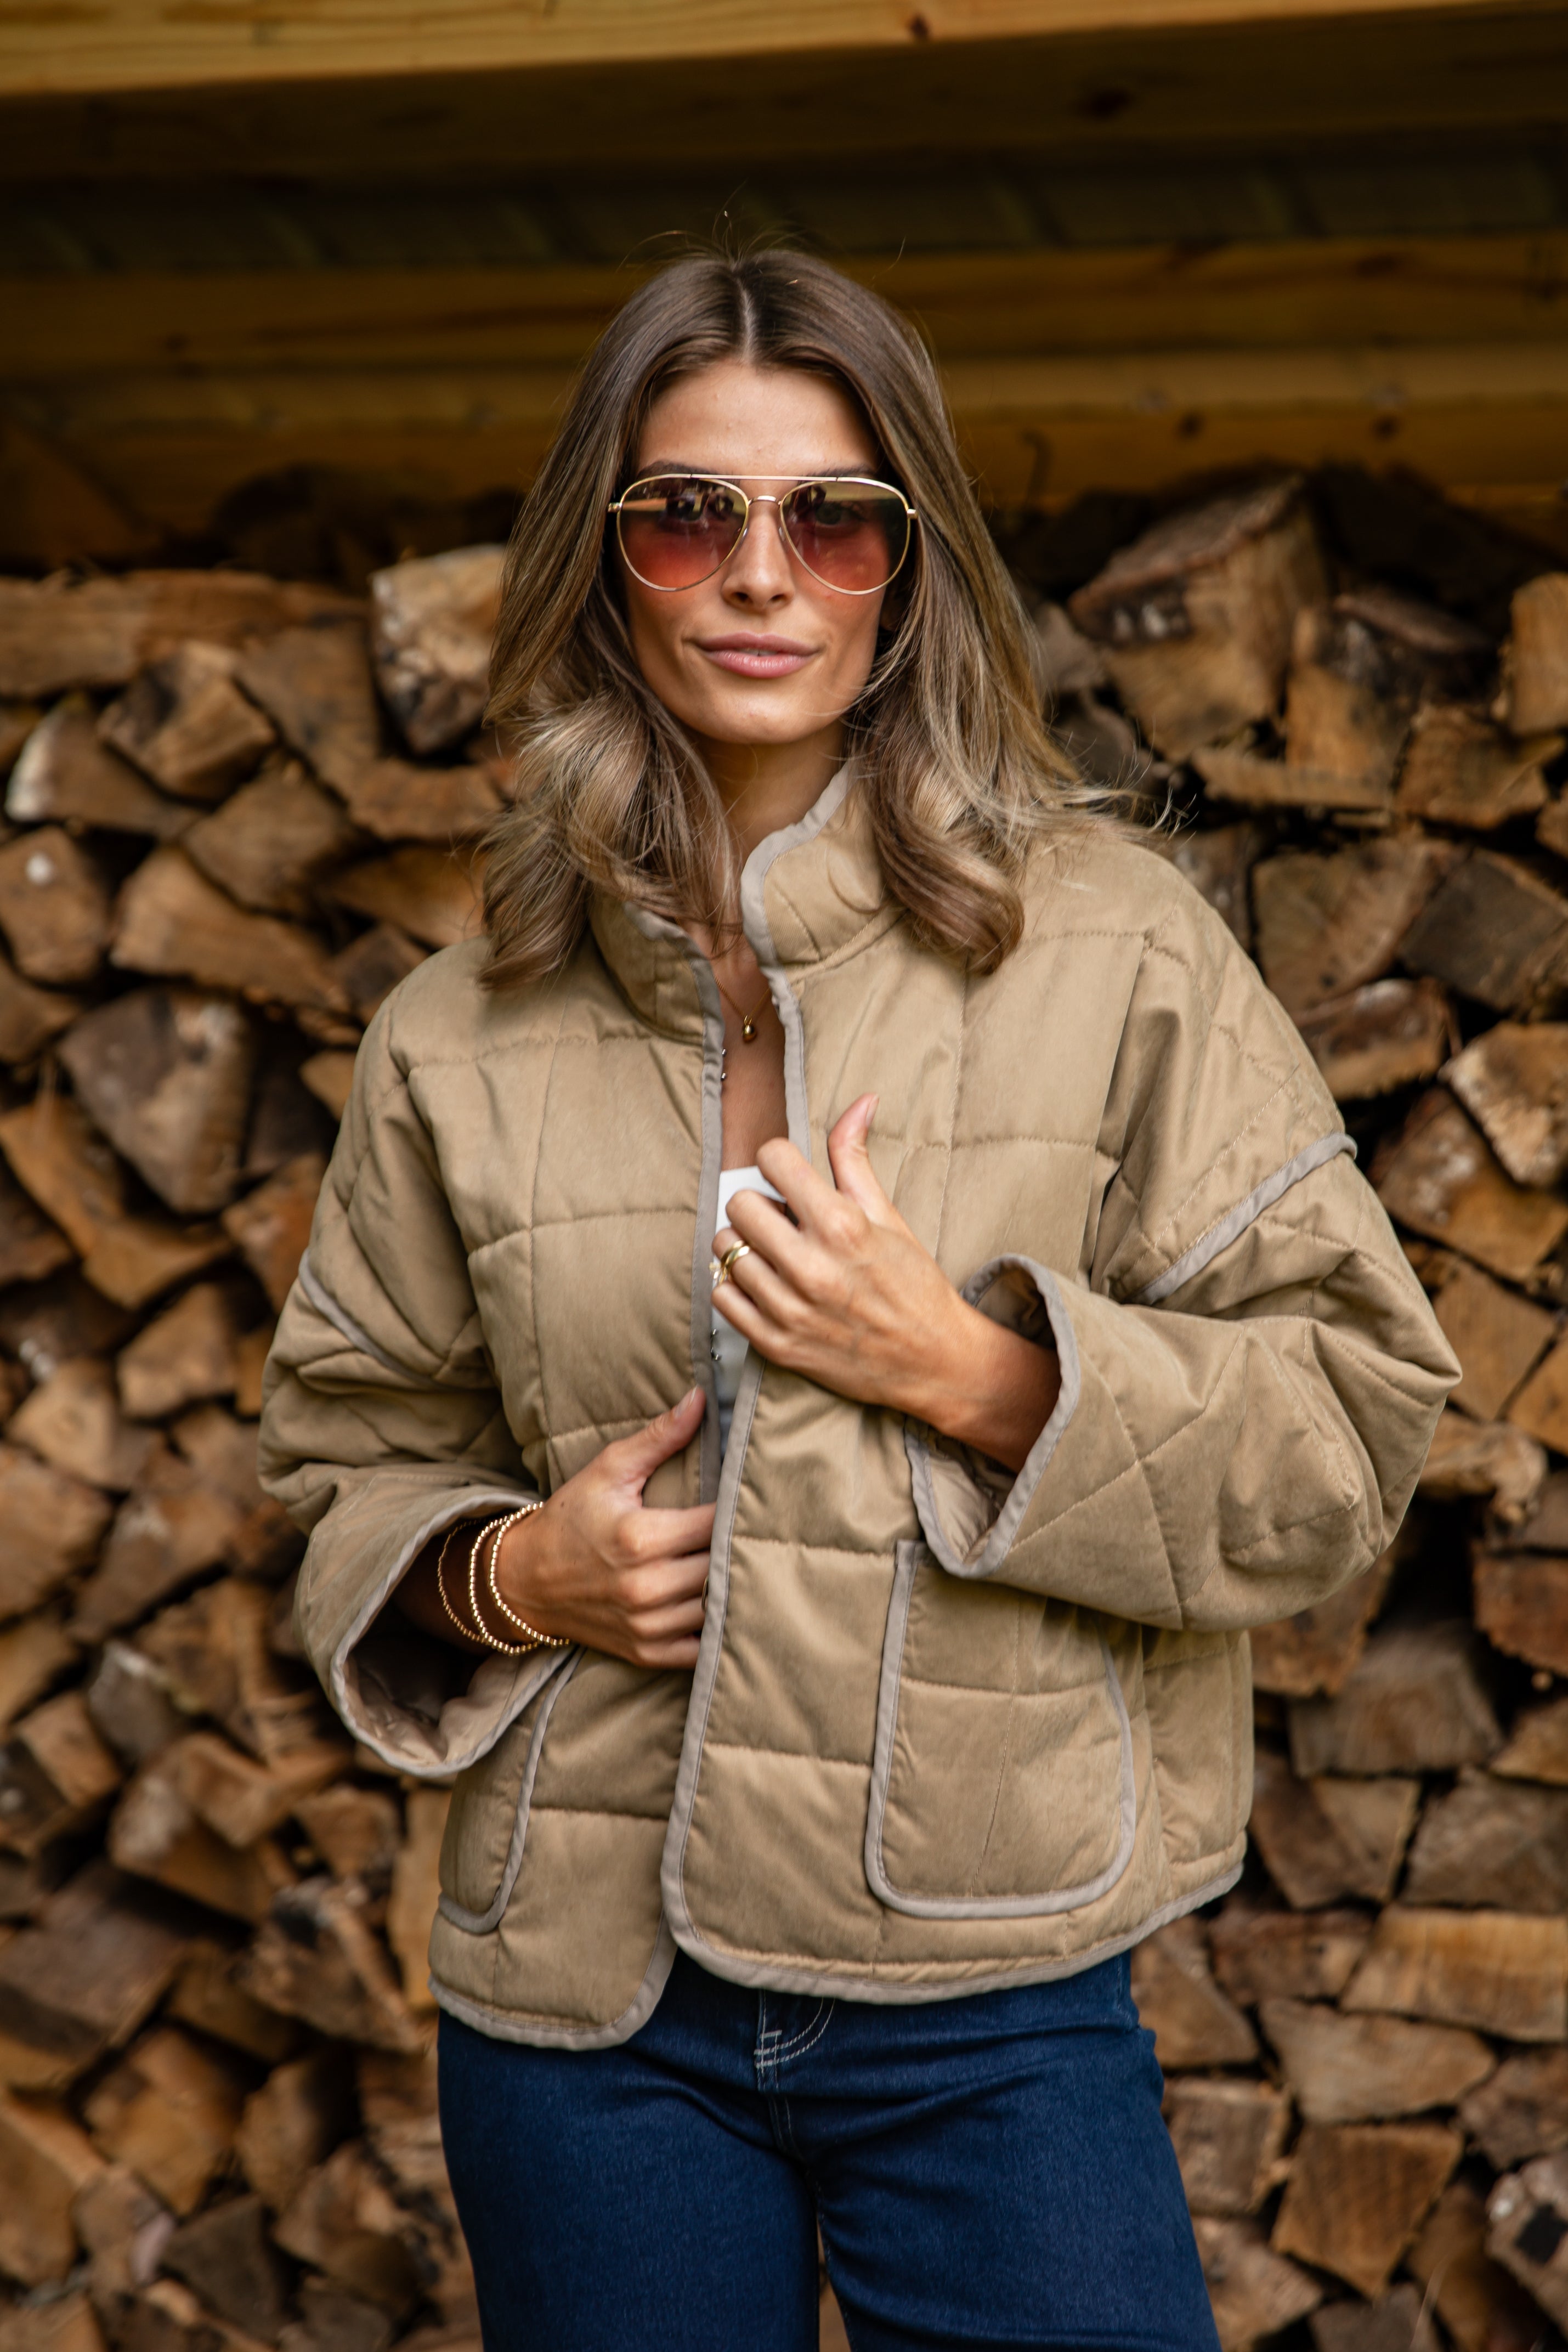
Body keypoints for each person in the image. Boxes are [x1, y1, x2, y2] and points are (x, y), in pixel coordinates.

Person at [259, 248, 1458, 2352]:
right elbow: (341, 1460)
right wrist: (510, 1576)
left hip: (994, 1989)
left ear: (909, 567)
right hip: (583, 2004)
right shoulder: (459, 1027)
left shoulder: (1116, 951)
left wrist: (976, 1373)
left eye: (832, 518)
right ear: (603, 559)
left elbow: (1348, 1430)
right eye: (684, 515)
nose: (759, 574)